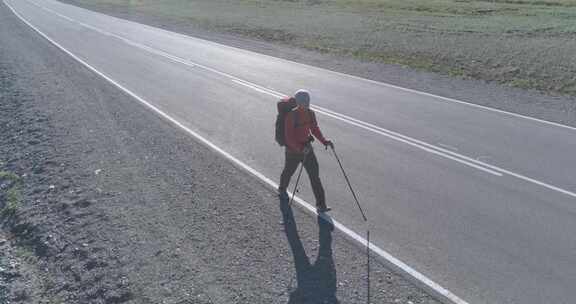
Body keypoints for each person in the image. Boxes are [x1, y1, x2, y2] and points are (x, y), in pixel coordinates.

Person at [279, 89, 334, 212]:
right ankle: (282, 189)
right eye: (304, 100)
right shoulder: (291, 116)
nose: (307, 102)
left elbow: (314, 129)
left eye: (308, 100)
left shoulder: (310, 113)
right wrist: (299, 149)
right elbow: (289, 137)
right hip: (293, 152)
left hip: (307, 149)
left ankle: (321, 205)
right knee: (288, 172)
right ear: (298, 102)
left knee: (315, 177)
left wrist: (324, 141)